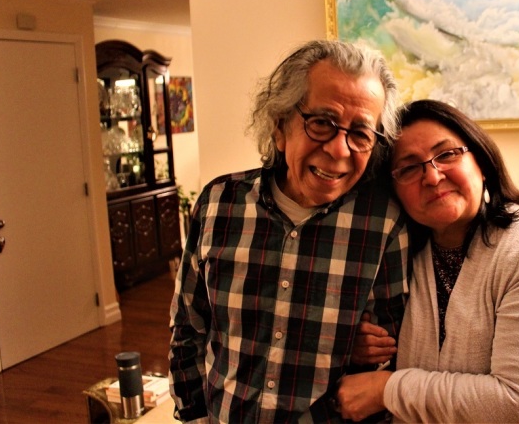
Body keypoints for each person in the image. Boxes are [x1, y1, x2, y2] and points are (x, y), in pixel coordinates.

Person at [168, 39, 409, 423]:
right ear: (280, 126)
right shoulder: (219, 203)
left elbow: (393, 357)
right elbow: (188, 326)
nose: (339, 149)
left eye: (360, 134)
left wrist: (347, 348)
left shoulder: (384, 225)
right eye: (321, 124)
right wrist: (193, 414)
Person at [335, 99, 519, 423]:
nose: (433, 177)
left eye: (447, 154)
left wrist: (388, 389)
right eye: (409, 168)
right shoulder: (398, 252)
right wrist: (357, 350)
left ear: (480, 159)